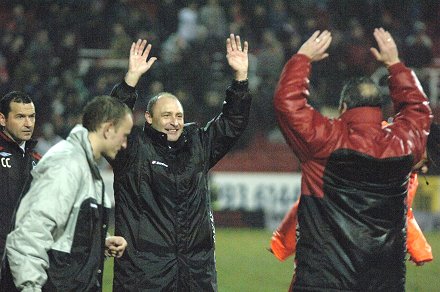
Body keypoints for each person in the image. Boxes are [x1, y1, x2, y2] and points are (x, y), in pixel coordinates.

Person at [273, 28, 432, 291]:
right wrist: (394, 64)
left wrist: (302, 58)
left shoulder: (325, 140)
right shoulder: (404, 143)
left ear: (344, 107)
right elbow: (418, 109)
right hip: (385, 284)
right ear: (378, 107)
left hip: (323, 281)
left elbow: (287, 103)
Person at [108, 34, 251, 291]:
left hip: (195, 272)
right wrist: (130, 82)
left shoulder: (198, 144)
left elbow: (232, 124)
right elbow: (111, 123)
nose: (175, 121)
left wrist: (240, 79)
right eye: (167, 115)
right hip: (145, 274)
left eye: (179, 115)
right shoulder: (133, 150)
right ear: (149, 118)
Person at [5, 95, 132, 291]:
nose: (124, 144)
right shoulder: (66, 164)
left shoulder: (88, 170)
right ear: (108, 130)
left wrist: (99, 241)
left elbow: (68, 232)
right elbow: (29, 235)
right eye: (124, 135)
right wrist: (30, 287)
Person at [269, 122, 437, 266]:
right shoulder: (369, 146)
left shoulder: (407, 172)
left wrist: (419, 249)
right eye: (427, 159)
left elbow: (400, 213)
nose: (425, 168)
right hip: (333, 251)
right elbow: (316, 195)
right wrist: (282, 243)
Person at [0, 91, 40, 267]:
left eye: (31, 117)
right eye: (20, 117)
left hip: (26, 260)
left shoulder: (38, 161)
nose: (28, 124)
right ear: (2, 119)